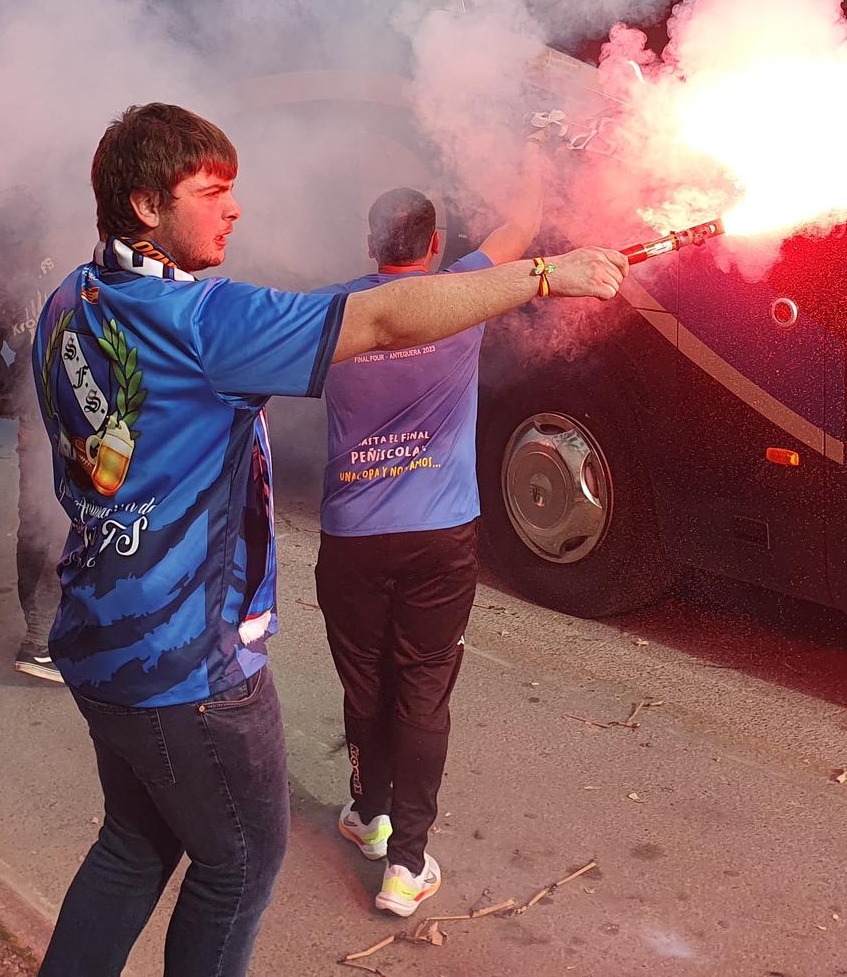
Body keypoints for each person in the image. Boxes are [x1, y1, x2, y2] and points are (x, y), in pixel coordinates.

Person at [31, 102, 627, 977]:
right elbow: (387, 319)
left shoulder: (69, 298)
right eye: (213, 192)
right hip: (188, 668)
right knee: (238, 862)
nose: (235, 209)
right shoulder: (203, 325)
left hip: (98, 642)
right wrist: (546, 275)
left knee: (133, 847)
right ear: (144, 205)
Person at [314, 154, 543, 918]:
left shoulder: (331, 312)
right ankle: (405, 865)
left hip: (353, 538)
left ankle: (367, 814)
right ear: (436, 243)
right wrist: (532, 160)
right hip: (440, 538)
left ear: (370, 242)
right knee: (421, 693)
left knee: (366, 684)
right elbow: (523, 229)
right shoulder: (459, 296)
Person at [0, 186, 68, 682]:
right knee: (55, 520)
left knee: (45, 518)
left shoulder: (5, 275)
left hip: (45, 416)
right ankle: (41, 643)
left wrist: (11, 387)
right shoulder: (72, 258)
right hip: (72, 415)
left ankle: (48, 635)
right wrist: (13, 389)